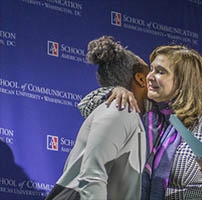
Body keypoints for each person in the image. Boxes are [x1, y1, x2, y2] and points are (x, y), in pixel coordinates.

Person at [78, 45, 202, 199]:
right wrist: (115, 91)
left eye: (160, 71)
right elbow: (85, 105)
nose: (149, 77)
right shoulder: (149, 112)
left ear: (183, 80)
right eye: (151, 69)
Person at [45, 36, 149, 200]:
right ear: (141, 79)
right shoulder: (121, 109)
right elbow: (92, 177)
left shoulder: (126, 112)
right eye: (150, 73)